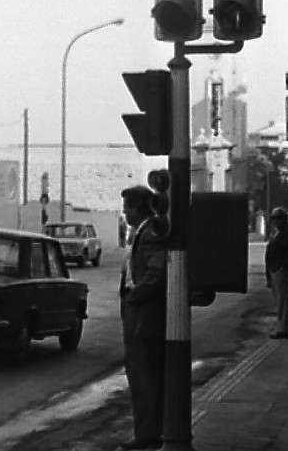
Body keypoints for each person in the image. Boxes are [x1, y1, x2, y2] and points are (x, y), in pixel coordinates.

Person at [118, 184, 168, 451]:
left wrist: (135, 296)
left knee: (144, 376)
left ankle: (147, 434)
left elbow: (156, 274)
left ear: (137, 208)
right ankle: (148, 430)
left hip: (144, 314)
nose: (124, 213)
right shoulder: (143, 232)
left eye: (127, 208)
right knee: (141, 373)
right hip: (139, 312)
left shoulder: (150, 233)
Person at [265, 207, 288, 339]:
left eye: (278, 218)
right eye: (274, 218)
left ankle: (284, 329)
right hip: (273, 269)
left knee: (282, 301)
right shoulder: (275, 233)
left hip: (281, 270)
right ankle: (281, 325)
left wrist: (284, 267)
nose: (276, 221)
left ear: (284, 219)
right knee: (278, 300)